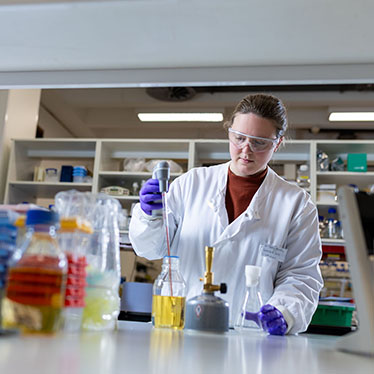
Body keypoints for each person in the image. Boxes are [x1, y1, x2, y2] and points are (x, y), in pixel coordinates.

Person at [129, 93, 323, 335]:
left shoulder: (296, 204)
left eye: (259, 142)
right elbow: (150, 249)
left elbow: (301, 275)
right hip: (182, 326)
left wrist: (285, 312)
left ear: (278, 142)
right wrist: (150, 216)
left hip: (250, 334)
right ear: (229, 131)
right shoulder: (191, 184)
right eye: (239, 138)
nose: (246, 150)